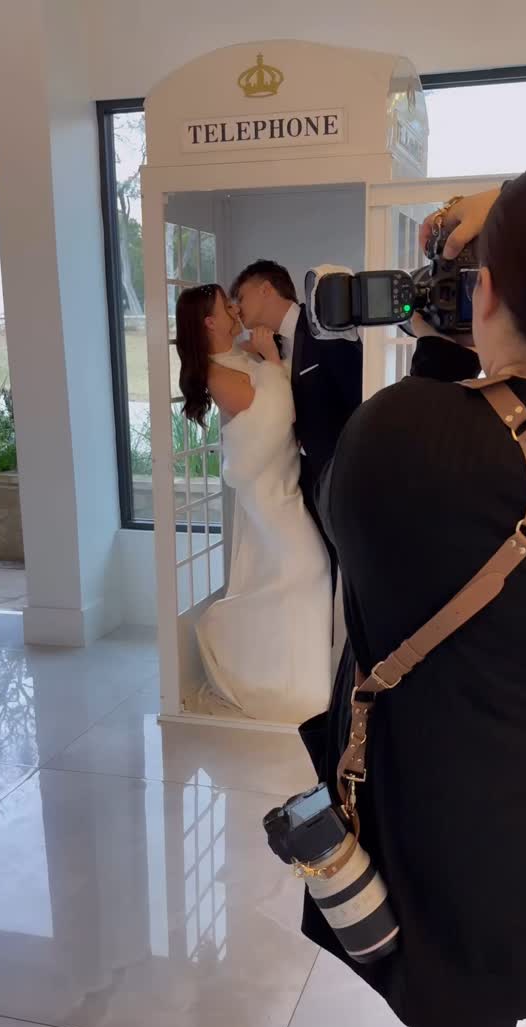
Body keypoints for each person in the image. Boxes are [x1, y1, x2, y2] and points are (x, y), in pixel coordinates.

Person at [300, 158, 526, 1027]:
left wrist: (438, 327)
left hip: (460, 838)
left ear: (485, 291)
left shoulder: (402, 443)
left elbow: (345, 533)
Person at [175, 283, 332, 724]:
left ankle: (299, 684)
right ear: (210, 322)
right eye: (225, 306)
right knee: (309, 569)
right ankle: (237, 647)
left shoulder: (239, 358)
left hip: (283, 484)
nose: (233, 308)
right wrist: (275, 361)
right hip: (266, 494)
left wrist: (264, 359)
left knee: (296, 576)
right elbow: (274, 419)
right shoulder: (215, 373)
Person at [230, 259, 363, 587]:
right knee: (313, 567)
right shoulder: (267, 346)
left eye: (241, 297)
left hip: (340, 471)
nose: (236, 308)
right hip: (298, 476)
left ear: (266, 289)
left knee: (340, 564)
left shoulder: (325, 324)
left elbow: (356, 392)